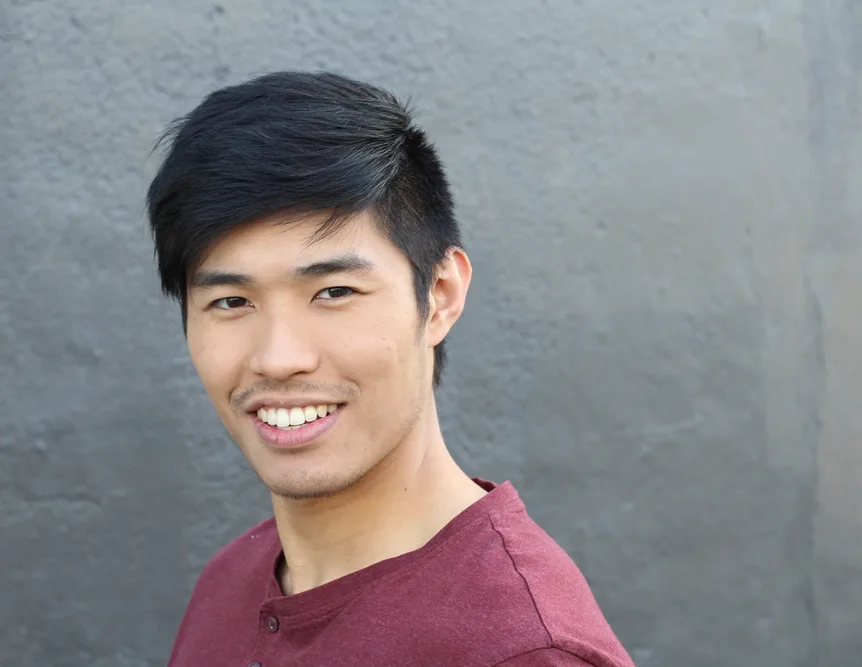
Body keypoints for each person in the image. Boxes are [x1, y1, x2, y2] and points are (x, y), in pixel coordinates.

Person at [147, 70, 635, 667]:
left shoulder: (521, 650)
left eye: (334, 292)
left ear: (441, 295)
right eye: (231, 302)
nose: (278, 358)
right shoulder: (232, 581)